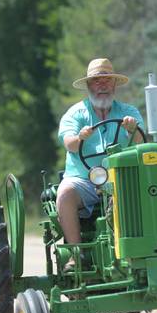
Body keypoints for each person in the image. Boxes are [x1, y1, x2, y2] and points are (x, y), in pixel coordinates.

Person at [56, 58, 145, 271]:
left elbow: (143, 142)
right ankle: (76, 255)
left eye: (107, 80)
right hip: (84, 180)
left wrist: (133, 130)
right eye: (97, 81)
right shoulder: (75, 114)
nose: (102, 85)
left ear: (114, 85)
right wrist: (80, 137)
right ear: (88, 85)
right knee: (65, 192)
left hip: (123, 179)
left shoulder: (129, 112)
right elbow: (70, 144)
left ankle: (142, 249)